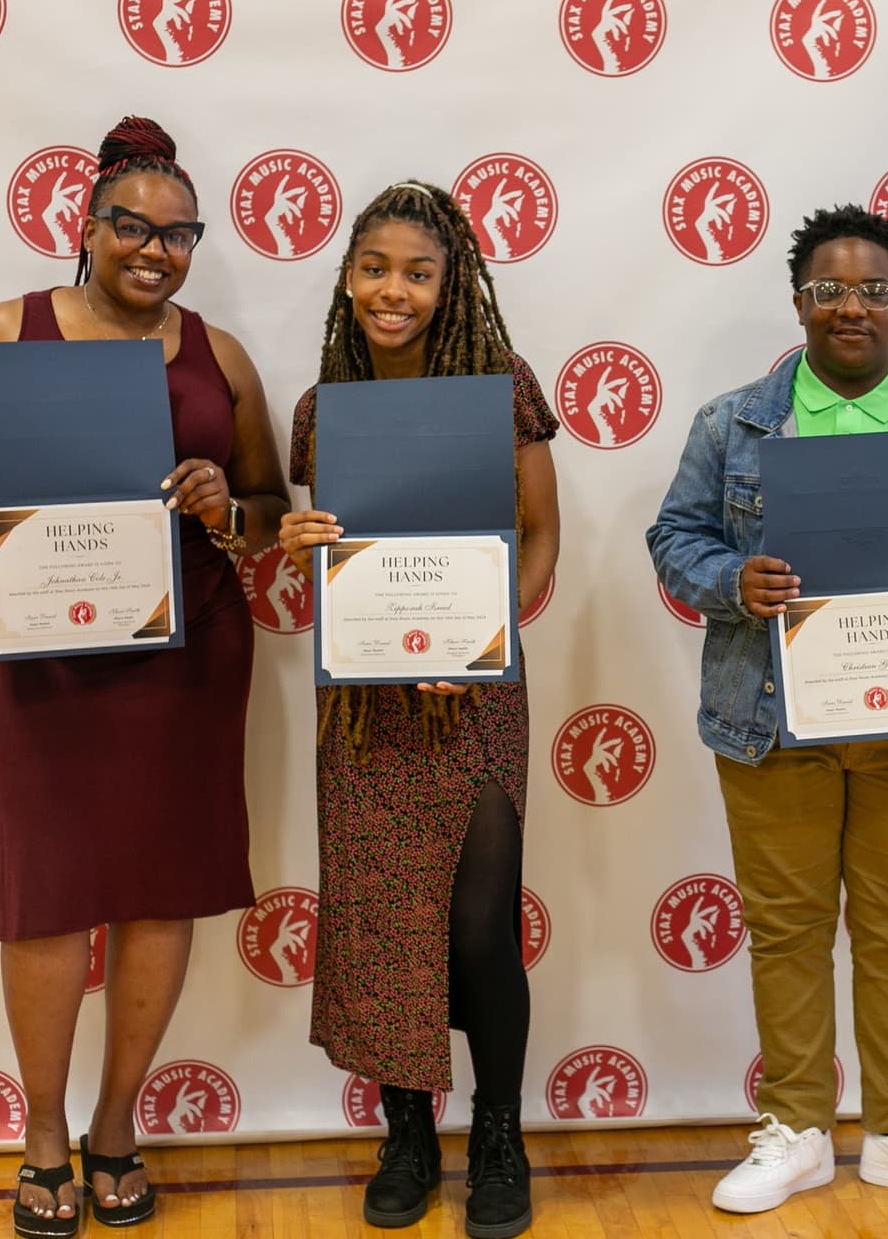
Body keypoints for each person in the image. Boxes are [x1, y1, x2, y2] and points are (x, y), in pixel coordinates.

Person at [0, 116, 287, 1236]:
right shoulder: (3, 333)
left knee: (164, 882)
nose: (156, 251)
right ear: (88, 223)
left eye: (180, 234)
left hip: (187, 650)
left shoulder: (222, 358)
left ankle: (118, 1123)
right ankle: (42, 1135)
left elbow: (268, 509)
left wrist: (231, 507)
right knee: (54, 891)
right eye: (133, 226)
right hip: (36, 651)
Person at [646, 205, 888, 1214]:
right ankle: (799, 1127)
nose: (851, 307)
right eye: (830, 290)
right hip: (774, 719)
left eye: (874, 291)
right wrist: (737, 579)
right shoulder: (735, 422)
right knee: (789, 926)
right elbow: (674, 537)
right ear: (799, 301)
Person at [278, 179, 560, 1239]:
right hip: (364, 703)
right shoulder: (321, 406)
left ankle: (499, 1132)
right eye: (374, 268)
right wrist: (296, 541)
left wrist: (485, 641)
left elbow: (541, 538)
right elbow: (334, 557)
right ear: (349, 278)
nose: (394, 290)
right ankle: (407, 1130)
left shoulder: (501, 386)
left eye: (418, 271)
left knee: (481, 925)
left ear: (453, 283)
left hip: (475, 691)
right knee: (382, 917)